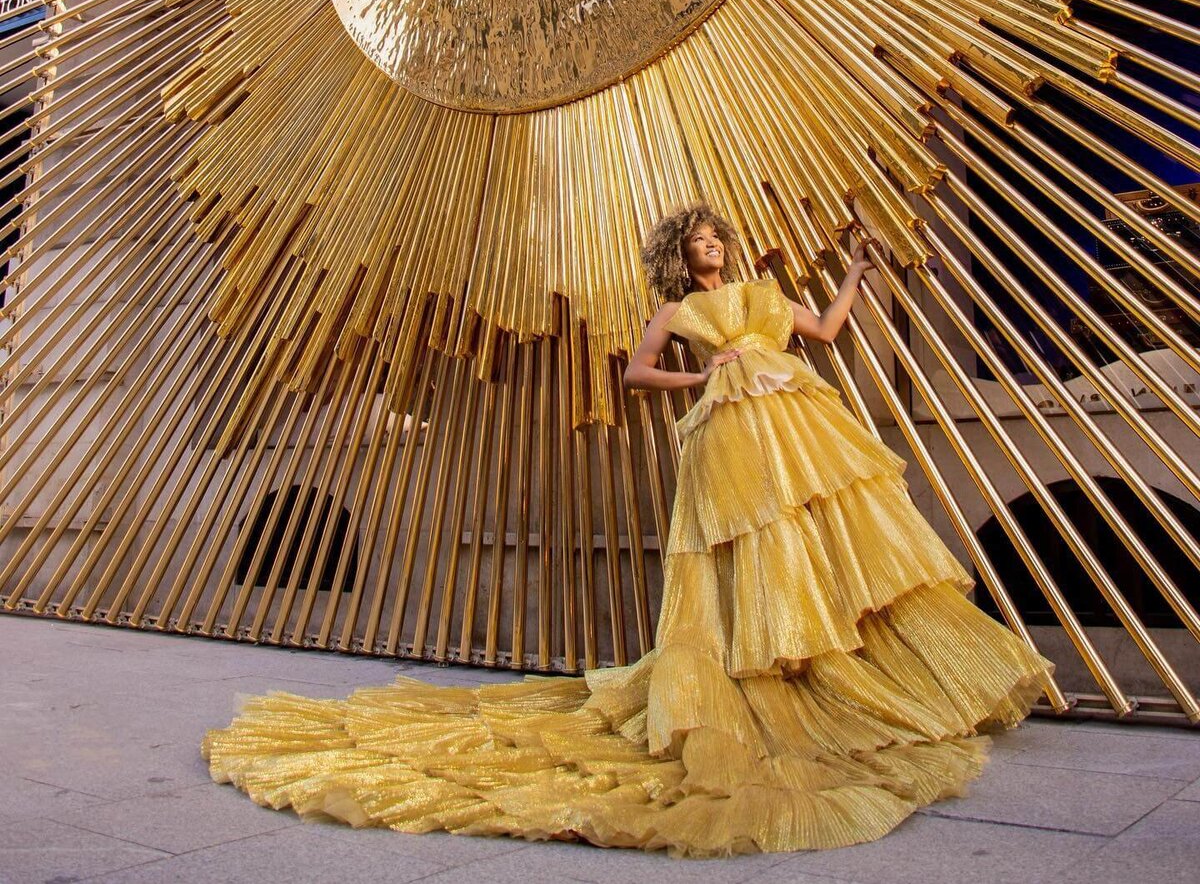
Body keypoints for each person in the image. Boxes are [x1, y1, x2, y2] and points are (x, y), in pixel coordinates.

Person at [203, 201, 1052, 856]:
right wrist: (700, 378)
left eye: (716, 239)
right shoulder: (681, 313)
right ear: (681, 259)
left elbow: (827, 330)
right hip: (726, 435)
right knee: (747, 546)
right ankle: (766, 667)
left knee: (828, 538)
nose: (710, 250)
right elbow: (639, 373)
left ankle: (852, 667)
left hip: (799, 427)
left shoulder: (764, 295)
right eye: (698, 245)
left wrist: (858, 275)